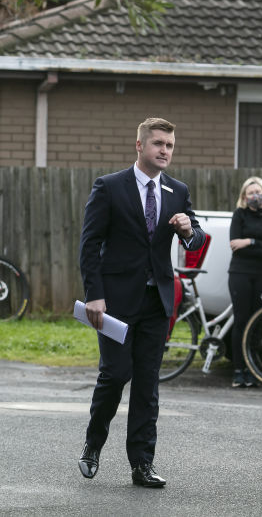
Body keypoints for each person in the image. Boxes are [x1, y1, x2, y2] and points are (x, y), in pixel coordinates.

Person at [77, 117, 205, 488]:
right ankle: (93, 444)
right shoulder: (110, 187)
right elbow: (89, 246)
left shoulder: (178, 191)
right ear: (140, 146)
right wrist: (94, 295)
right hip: (114, 303)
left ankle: (142, 465)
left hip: (157, 302)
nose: (165, 150)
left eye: (169, 145)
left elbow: (195, 240)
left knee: (148, 386)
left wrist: (187, 231)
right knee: (115, 376)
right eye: (158, 144)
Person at [227, 176, 262, 389]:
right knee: (241, 321)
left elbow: (242, 243)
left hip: (261, 275)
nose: (255, 196)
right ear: (244, 196)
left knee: (257, 324)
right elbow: (234, 243)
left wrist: (249, 241)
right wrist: (259, 245)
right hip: (240, 274)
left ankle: (253, 371)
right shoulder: (239, 215)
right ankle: (238, 371)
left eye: (258, 192)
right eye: (250, 193)